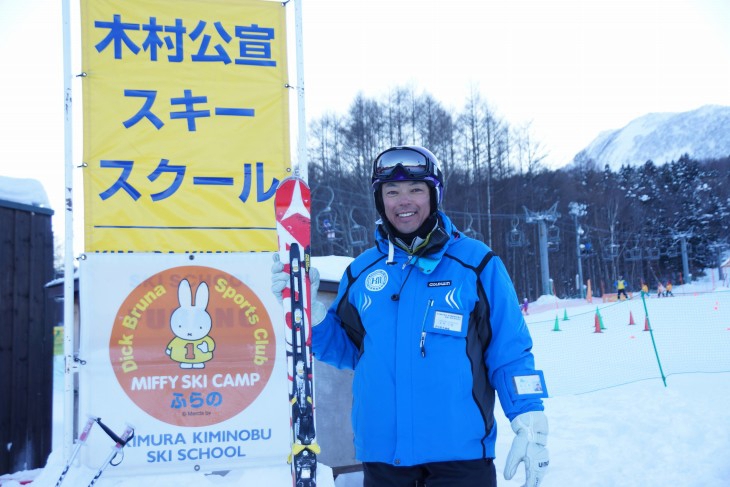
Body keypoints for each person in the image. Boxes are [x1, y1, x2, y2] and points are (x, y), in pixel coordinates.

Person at [272, 146, 549, 487]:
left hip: (460, 461)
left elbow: (510, 352)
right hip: (383, 461)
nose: (403, 201)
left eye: (416, 190)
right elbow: (348, 351)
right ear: (380, 200)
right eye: (392, 192)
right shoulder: (361, 273)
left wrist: (530, 417)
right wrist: (313, 316)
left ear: (434, 195)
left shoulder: (476, 264)